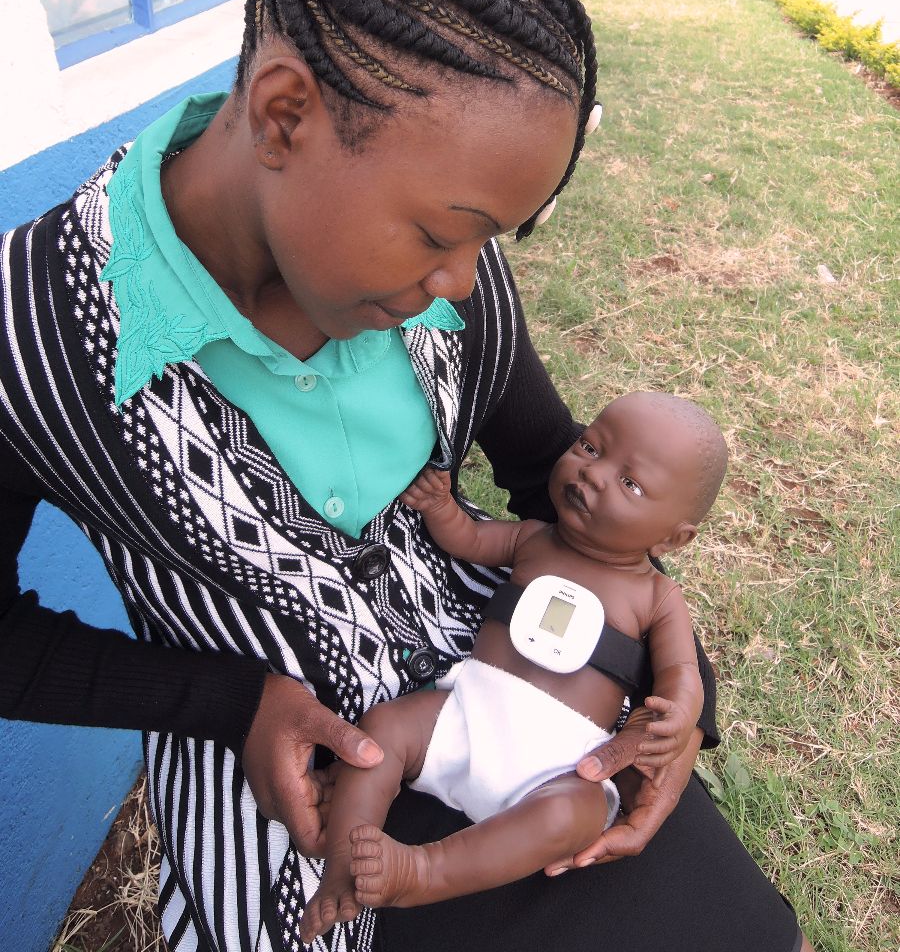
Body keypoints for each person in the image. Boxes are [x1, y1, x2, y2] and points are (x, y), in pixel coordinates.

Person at [0, 0, 809, 952]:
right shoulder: (31, 333)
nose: (469, 284)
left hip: (524, 714)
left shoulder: (442, 283)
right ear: (285, 114)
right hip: (304, 816)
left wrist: (679, 701)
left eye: (494, 242)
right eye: (445, 233)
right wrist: (229, 700)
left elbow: (548, 477)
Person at [299, 390, 724, 940]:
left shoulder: (659, 597)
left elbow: (680, 674)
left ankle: (420, 871)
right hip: (466, 712)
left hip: (560, 766)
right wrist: (440, 508)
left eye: (631, 484)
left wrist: (678, 713)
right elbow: (471, 539)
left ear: (674, 538)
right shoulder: (532, 538)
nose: (593, 475)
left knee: (572, 816)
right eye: (590, 447)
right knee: (383, 730)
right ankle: (344, 863)